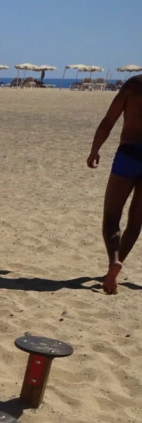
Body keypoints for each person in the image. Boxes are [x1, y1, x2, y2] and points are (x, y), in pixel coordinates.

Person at [88, 75, 142, 294]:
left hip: (128, 154)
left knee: (111, 217)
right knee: (136, 221)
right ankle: (115, 267)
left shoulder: (134, 84)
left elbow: (108, 121)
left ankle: (114, 261)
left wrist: (94, 150)